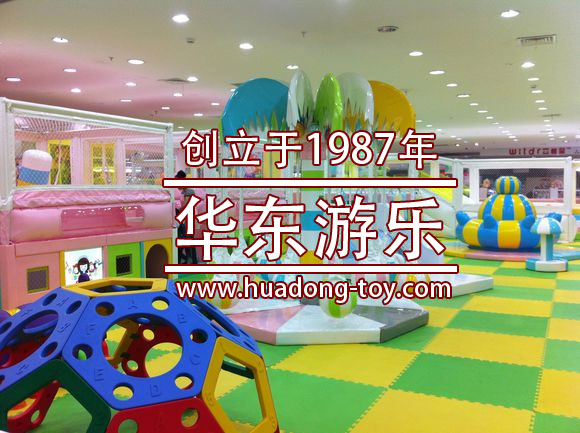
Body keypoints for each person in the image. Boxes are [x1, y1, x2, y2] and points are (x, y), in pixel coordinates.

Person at [175, 170, 198, 264]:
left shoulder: (189, 191)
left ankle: (191, 261)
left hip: (189, 218)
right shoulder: (183, 192)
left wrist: (177, 210)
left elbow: (186, 205)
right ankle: (190, 260)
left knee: (188, 240)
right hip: (186, 218)